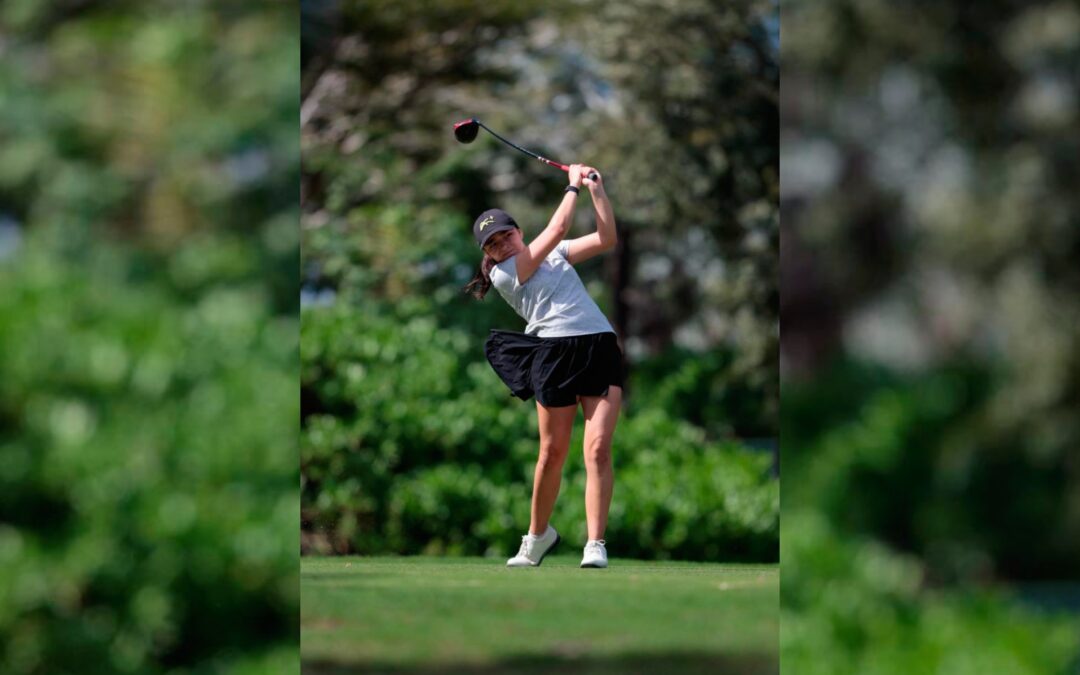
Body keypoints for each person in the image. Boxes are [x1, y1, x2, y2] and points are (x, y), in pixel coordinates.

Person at [462, 164, 624, 569]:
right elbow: (556, 229)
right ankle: (536, 538)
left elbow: (606, 238)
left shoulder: (555, 254)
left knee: (598, 449)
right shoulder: (505, 273)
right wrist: (571, 187)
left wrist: (596, 191)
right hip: (553, 355)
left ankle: (595, 543)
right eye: (492, 244)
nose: (502, 245)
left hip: (598, 346)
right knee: (551, 452)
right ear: (487, 255)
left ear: (518, 231)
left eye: (506, 235)